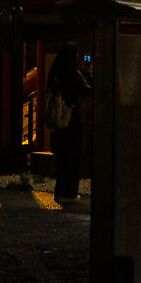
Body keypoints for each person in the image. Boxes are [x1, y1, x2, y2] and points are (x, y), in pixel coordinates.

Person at [43, 44, 88, 200]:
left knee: (63, 159)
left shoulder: (56, 72)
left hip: (60, 123)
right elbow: (86, 90)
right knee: (73, 158)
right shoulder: (72, 74)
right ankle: (69, 192)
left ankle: (61, 191)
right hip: (73, 122)